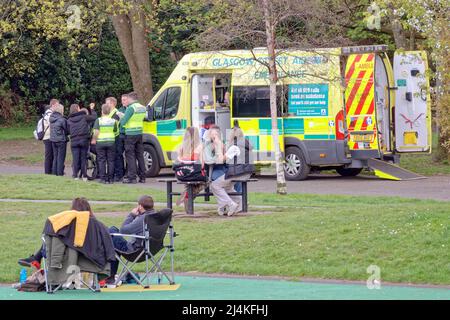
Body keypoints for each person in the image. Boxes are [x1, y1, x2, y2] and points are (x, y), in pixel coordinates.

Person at [17, 197, 97, 269]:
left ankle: (37, 258)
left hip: (66, 258)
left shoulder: (67, 222)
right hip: (90, 259)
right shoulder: (96, 225)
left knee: (54, 234)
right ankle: (37, 258)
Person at [107, 195, 156, 287]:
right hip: (152, 248)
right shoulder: (156, 215)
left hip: (134, 251)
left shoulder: (143, 218)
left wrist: (132, 215)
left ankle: (110, 277)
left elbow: (123, 230)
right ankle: (110, 277)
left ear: (140, 206)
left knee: (110, 234)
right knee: (113, 230)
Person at [210, 126, 255, 216]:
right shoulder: (245, 144)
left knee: (215, 185)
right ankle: (242, 203)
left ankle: (230, 204)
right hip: (247, 172)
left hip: (238, 173)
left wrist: (218, 145)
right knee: (227, 187)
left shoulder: (234, 146)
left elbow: (222, 160)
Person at [175, 127, 205, 209]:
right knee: (206, 182)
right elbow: (201, 165)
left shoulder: (181, 146)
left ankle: (187, 204)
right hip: (195, 174)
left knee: (189, 184)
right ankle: (188, 195)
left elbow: (177, 161)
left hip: (182, 175)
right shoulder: (200, 146)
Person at [120, 92, 147, 184]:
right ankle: (143, 176)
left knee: (130, 155)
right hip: (139, 133)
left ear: (130, 99)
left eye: (127, 99)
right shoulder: (143, 107)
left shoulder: (131, 108)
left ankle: (132, 177)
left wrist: (121, 117)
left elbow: (123, 122)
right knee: (140, 155)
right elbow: (146, 117)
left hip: (130, 134)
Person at [67, 104, 96, 181]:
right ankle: (84, 176)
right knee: (83, 158)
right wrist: (92, 109)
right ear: (78, 108)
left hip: (74, 140)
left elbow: (68, 130)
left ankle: (75, 175)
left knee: (75, 158)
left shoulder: (69, 120)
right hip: (83, 139)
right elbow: (94, 118)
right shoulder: (84, 117)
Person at [91, 104, 118, 184]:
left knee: (101, 160)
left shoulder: (98, 120)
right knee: (111, 160)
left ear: (102, 111)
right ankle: (111, 179)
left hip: (101, 142)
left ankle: (102, 178)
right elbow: (116, 131)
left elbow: (96, 132)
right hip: (111, 142)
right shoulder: (113, 121)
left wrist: (94, 139)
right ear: (109, 111)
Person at [106, 97, 126, 182]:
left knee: (118, 156)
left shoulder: (116, 113)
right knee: (114, 156)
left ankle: (119, 175)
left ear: (112, 104)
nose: (106, 105)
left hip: (116, 137)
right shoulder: (110, 113)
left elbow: (114, 125)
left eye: (107, 103)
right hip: (112, 137)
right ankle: (115, 173)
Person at [49, 103, 68, 176]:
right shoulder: (62, 120)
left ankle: (54, 173)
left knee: (55, 157)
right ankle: (60, 173)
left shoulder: (51, 118)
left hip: (53, 140)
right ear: (61, 110)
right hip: (61, 140)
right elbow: (66, 130)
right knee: (61, 158)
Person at [42, 99, 58, 174]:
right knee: (49, 155)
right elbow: (53, 124)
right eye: (57, 105)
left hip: (48, 137)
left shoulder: (48, 113)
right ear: (53, 105)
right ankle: (47, 172)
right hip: (48, 137)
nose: (58, 107)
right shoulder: (49, 114)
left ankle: (50, 171)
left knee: (50, 155)